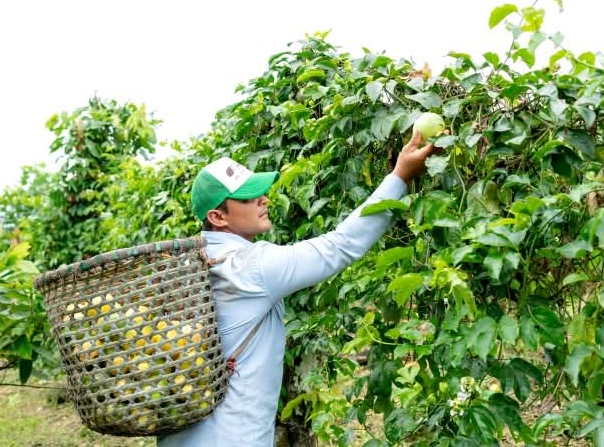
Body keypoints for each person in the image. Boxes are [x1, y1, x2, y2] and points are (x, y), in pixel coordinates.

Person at [157, 130, 436, 446]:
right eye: (248, 196)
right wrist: (400, 176)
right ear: (218, 216)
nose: (263, 199)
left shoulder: (188, 263)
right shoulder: (251, 266)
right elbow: (339, 247)